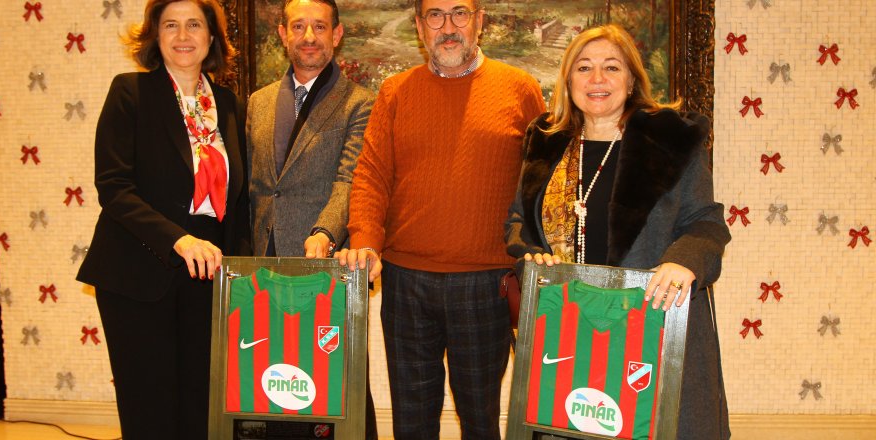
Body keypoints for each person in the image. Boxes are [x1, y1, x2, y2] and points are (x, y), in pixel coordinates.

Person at [504, 24, 731, 439]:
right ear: (568, 80)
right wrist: (531, 258)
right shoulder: (546, 141)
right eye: (584, 68)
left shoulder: (670, 140)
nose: (597, 79)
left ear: (631, 79)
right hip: (569, 336)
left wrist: (682, 261)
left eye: (611, 67)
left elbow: (706, 221)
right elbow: (519, 222)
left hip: (652, 335)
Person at [336, 0, 546, 438]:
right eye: (435, 15)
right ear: (419, 26)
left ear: (479, 21)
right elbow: (372, 175)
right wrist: (366, 240)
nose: (448, 26)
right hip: (405, 282)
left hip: (486, 283)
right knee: (412, 422)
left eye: (459, 13)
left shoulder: (520, 89)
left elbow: (539, 183)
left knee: (480, 421)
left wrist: (532, 252)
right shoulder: (395, 92)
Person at [76, 1, 250, 438]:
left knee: (202, 405)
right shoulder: (130, 92)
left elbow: (240, 199)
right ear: (155, 35)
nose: (183, 36)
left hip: (209, 270)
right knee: (149, 407)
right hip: (139, 267)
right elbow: (114, 187)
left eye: (194, 25)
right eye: (170, 25)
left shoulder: (229, 104)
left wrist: (244, 272)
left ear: (212, 36)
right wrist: (179, 239)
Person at [245, 0, 378, 437]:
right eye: (298, 26)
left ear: (336, 35)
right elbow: (256, 186)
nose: (308, 37)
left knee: (334, 390)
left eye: (319, 27)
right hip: (266, 268)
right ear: (283, 34)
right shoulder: (258, 102)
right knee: (276, 383)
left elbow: (350, 179)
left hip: (326, 267)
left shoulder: (360, 103)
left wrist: (324, 231)